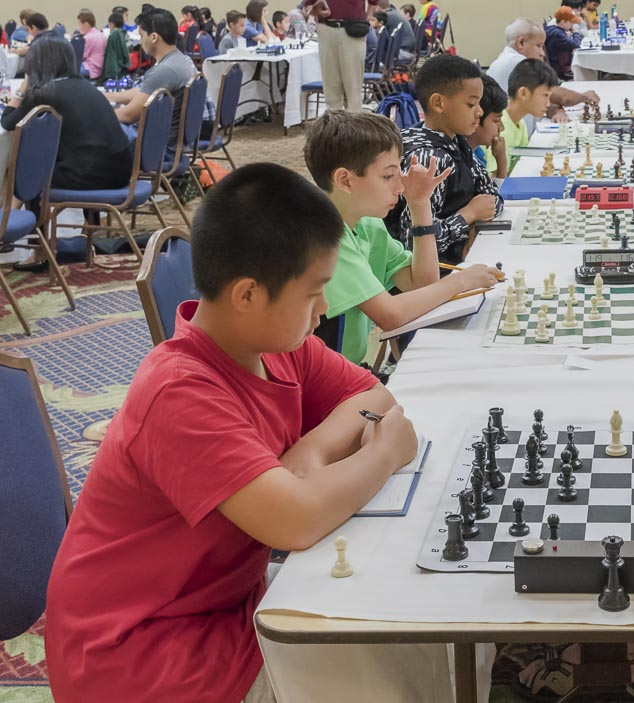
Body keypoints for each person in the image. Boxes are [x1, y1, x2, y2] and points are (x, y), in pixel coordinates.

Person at [45, 162, 422, 703]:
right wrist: (382, 452)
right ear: (247, 294)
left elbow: (374, 395)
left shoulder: (276, 344)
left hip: (221, 606)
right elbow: (296, 520)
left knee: (402, 629)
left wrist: (309, 450)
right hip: (143, 655)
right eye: (314, 292)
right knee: (396, 661)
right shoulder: (177, 392)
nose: (323, 312)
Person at [305, 111, 502, 365]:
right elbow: (390, 315)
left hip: (348, 370)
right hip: (322, 380)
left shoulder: (368, 223)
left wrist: (420, 205)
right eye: (388, 176)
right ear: (345, 180)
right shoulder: (325, 238)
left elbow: (422, 282)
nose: (400, 187)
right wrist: (460, 282)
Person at [0, 36, 132, 271]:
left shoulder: (45, 92)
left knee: (29, 173)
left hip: (91, 174)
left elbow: (9, 121)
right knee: (33, 167)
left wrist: (22, 89)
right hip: (121, 170)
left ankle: (33, 248)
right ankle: (12, 229)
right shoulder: (84, 85)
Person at [390, 55, 505, 261]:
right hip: (432, 276)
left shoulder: (456, 141)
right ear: (438, 103)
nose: (479, 112)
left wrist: (472, 226)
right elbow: (414, 243)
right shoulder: (428, 159)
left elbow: (492, 197)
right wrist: (468, 216)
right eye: (471, 105)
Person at [112, 8, 197, 159]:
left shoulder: (164, 71)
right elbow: (144, 91)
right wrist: (107, 97)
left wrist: (96, 113)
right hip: (172, 146)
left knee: (97, 128)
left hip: (158, 151)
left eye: (141, 35)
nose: (140, 40)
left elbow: (129, 115)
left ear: (153, 37)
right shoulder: (180, 60)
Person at [486, 18, 600, 122]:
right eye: (538, 45)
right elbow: (560, 97)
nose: (542, 53)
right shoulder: (518, 63)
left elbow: (545, 98)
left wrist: (557, 110)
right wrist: (584, 97)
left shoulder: (505, 58)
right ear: (521, 42)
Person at [494, 59, 559, 175]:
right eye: (545, 95)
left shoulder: (520, 123)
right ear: (523, 93)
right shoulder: (499, 127)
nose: (548, 104)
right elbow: (493, 179)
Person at [304, 0, 369, 112]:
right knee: (330, 83)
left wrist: (365, 20)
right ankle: (335, 123)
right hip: (326, 28)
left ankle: (355, 123)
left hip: (353, 30)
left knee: (353, 84)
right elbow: (308, 6)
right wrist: (316, 10)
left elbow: (374, 3)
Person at [471, 75, 509, 179]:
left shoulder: (477, 154)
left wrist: (501, 161)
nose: (502, 127)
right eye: (496, 120)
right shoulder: (458, 161)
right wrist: (502, 163)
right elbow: (493, 194)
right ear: (477, 117)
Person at [545, 6, 582, 80]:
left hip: (560, 67)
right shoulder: (557, 34)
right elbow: (576, 45)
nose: (573, 25)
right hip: (560, 71)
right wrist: (575, 33)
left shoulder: (554, 30)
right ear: (563, 22)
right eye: (571, 22)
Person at [78, 11, 108, 79]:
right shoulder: (100, 34)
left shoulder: (88, 38)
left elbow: (81, 56)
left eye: (80, 24)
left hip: (90, 68)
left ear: (85, 24)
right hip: (100, 68)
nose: (79, 27)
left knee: (67, 69)